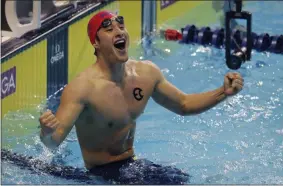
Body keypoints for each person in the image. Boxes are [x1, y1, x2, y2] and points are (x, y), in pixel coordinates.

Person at [39, 10, 244, 184]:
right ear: (96, 43)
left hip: (134, 165)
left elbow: (184, 104)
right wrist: (47, 132)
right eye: (109, 30)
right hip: (101, 175)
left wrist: (222, 93)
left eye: (121, 27)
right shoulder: (82, 89)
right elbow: (53, 142)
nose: (119, 32)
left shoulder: (146, 73)